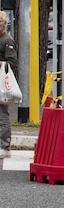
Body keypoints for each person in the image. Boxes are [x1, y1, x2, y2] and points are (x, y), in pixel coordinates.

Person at [0, 12, 16, 159]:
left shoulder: (7, 40)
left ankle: (5, 146)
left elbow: (12, 63)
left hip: (1, 84)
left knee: (2, 114)